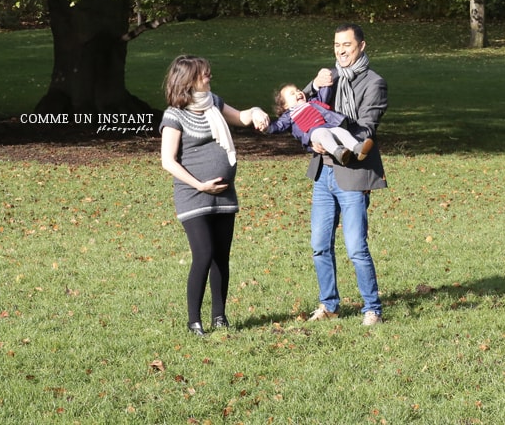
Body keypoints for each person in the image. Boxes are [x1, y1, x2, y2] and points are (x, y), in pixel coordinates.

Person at [159, 55, 270, 336]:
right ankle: (194, 320)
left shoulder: (214, 103)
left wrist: (255, 112)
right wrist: (200, 185)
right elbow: (168, 161)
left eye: (208, 73)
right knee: (204, 254)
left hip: (223, 195)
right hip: (193, 195)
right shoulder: (174, 115)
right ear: (188, 80)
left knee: (221, 255)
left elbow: (242, 117)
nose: (209, 77)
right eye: (204, 74)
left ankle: (219, 317)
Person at [302, 24, 388, 326]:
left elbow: (367, 129)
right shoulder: (329, 78)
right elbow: (300, 106)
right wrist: (313, 85)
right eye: (337, 45)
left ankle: (371, 308)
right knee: (319, 245)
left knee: (355, 247)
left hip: (353, 174)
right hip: (324, 174)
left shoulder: (374, 83)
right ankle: (330, 305)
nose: (341, 50)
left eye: (347, 45)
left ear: (361, 46)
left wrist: (329, 137)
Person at [266, 83, 375, 165]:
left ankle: (357, 148)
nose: (298, 93)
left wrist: (324, 82)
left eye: (298, 90)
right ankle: (338, 152)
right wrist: (266, 127)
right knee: (323, 133)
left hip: (328, 126)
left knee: (341, 131)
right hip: (313, 132)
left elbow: (324, 94)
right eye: (292, 94)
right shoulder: (289, 114)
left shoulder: (312, 102)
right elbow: (278, 126)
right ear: (285, 105)